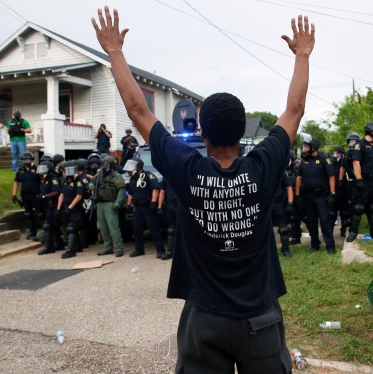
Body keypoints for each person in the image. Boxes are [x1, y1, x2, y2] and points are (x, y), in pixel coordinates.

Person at [92, 6, 314, 372]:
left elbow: (138, 111)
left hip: (204, 320)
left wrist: (114, 51)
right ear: (242, 130)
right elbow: (295, 110)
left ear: (203, 134)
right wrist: (302, 55)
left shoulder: (187, 169)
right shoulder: (263, 164)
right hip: (259, 318)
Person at [344, 123, 373, 242]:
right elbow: (356, 162)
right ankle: (353, 233)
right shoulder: (360, 145)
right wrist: (359, 179)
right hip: (362, 180)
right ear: (372, 132)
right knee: (358, 207)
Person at [295, 135, 337, 254]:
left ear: (313, 147)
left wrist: (332, 193)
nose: (304, 148)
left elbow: (331, 176)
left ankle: (330, 246)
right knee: (311, 221)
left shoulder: (324, 159)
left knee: (324, 221)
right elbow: (299, 178)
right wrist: (297, 196)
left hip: (321, 196)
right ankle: (315, 244)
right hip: (307, 197)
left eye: (306, 146)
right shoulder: (304, 160)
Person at [124, 157, 166, 258]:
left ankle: (160, 250)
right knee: (137, 229)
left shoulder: (148, 175)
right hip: (138, 207)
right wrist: (128, 205)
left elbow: (155, 189)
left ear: (138, 167)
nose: (130, 168)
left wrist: (153, 202)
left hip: (148, 206)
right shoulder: (133, 178)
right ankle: (139, 249)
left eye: (132, 166)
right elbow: (131, 193)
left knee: (154, 229)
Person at [90, 155, 126, 256]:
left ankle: (119, 248)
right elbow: (91, 182)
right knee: (103, 227)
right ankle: (107, 247)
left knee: (113, 227)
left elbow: (122, 190)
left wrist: (117, 203)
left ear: (112, 165)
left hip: (110, 203)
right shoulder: (99, 175)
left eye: (107, 164)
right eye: (104, 164)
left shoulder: (116, 176)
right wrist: (92, 186)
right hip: (100, 204)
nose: (105, 166)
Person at [57, 161, 85, 259]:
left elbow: (79, 196)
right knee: (68, 227)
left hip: (75, 208)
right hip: (66, 207)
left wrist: (70, 207)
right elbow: (62, 194)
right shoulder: (65, 181)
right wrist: (58, 207)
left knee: (71, 228)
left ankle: (71, 250)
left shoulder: (78, 181)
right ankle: (77, 246)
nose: (63, 173)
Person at [36, 161, 64, 255]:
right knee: (54, 226)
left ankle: (49, 247)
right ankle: (59, 243)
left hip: (53, 205)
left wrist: (44, 197)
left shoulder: (53, 178)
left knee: (48, 226)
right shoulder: (46, 178)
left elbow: (56, 192)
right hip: (47, 205)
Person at [12, 151, 41, 240]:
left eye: (29, 159)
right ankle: (32, 232)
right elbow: (16, 182)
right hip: (25, 196)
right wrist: (14, 194)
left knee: (40, 214)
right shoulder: (20, 170)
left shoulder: (37, 169)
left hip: (36, 195)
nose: (27, 161)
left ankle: (43, 233)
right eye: (25, 159)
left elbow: (42, 182)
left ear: (32, 160)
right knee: (28, 214)